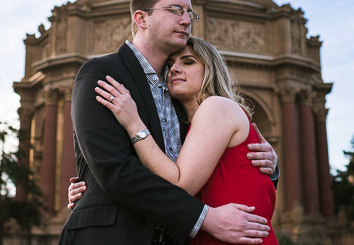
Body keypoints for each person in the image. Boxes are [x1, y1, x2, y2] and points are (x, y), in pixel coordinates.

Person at [58, 0, 277, 245]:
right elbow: (114, 169)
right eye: (175, 10)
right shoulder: (103, 73)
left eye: (190, 14)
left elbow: (210, 167)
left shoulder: (182, 95)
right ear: (141, 19)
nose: (186, 20)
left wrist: (266, 163)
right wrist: (204, 218)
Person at [95, 37, 278, 245]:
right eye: (170, 64)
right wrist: (92, 187)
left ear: (210, 69)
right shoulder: (188, 129)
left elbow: (179, 187)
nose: (174, 69)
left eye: (188, 61)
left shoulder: (216, 107)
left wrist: (133, 122)